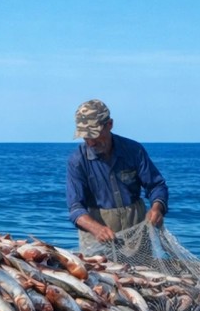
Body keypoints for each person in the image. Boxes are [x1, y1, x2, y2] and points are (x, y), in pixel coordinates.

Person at [65, 99, 169, 253]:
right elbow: (75, 208)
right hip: (96, 242)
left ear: (109, 124)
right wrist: (96, 228)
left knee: (143, 275)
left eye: (95, 135)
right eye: (85, 137)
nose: (91, 142)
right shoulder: (77, 161)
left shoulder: (134, 151)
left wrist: (157, 208)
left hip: (137, 234)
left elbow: (156, 186)